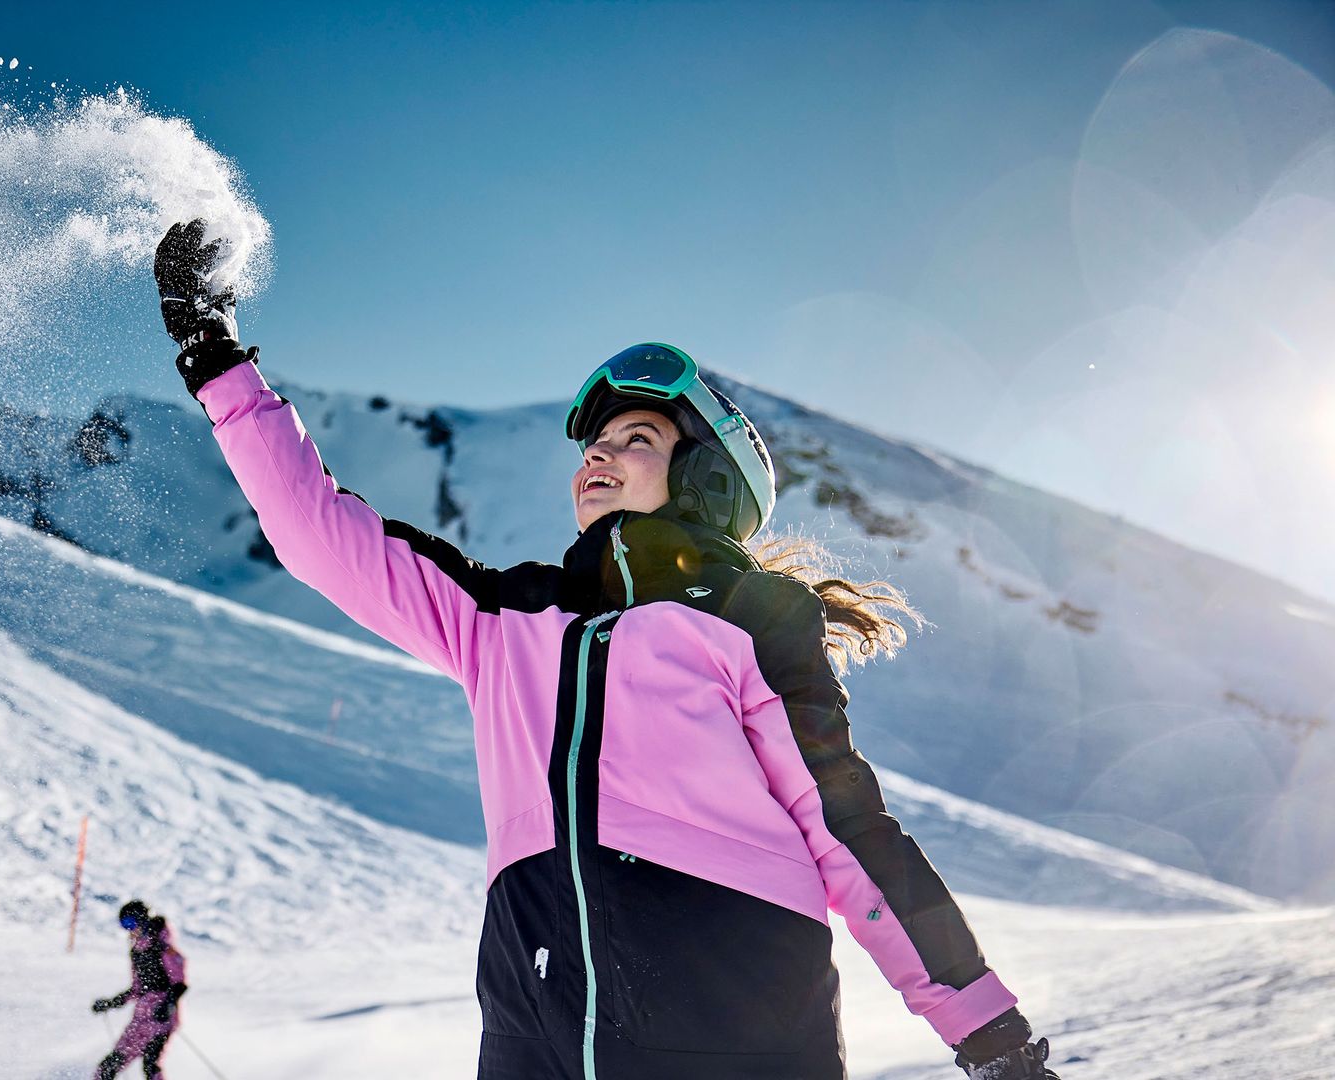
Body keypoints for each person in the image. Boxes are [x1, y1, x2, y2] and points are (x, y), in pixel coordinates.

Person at [153, 221, 1061, 1080]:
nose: (599, 453)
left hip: (732, 1020)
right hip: (531, 1027)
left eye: (637, 437)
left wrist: (985, 1026)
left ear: (704, 480)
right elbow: (319, 533)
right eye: (593, 440)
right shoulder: (505, 617)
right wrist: (217, 359)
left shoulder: (753, 617)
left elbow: (846, 830)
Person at [90, 900, 188, 1080]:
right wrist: (111, 1003)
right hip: (142, 1018)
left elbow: (179, 982)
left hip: (162, 1019)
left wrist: (168, 1004)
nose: (128, 929)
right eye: (124, 925)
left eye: (130, 923)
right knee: (109, 1066)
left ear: (143, 920)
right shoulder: (137, 951)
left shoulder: (161, 946)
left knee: (150, 1063)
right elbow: (137, 988)